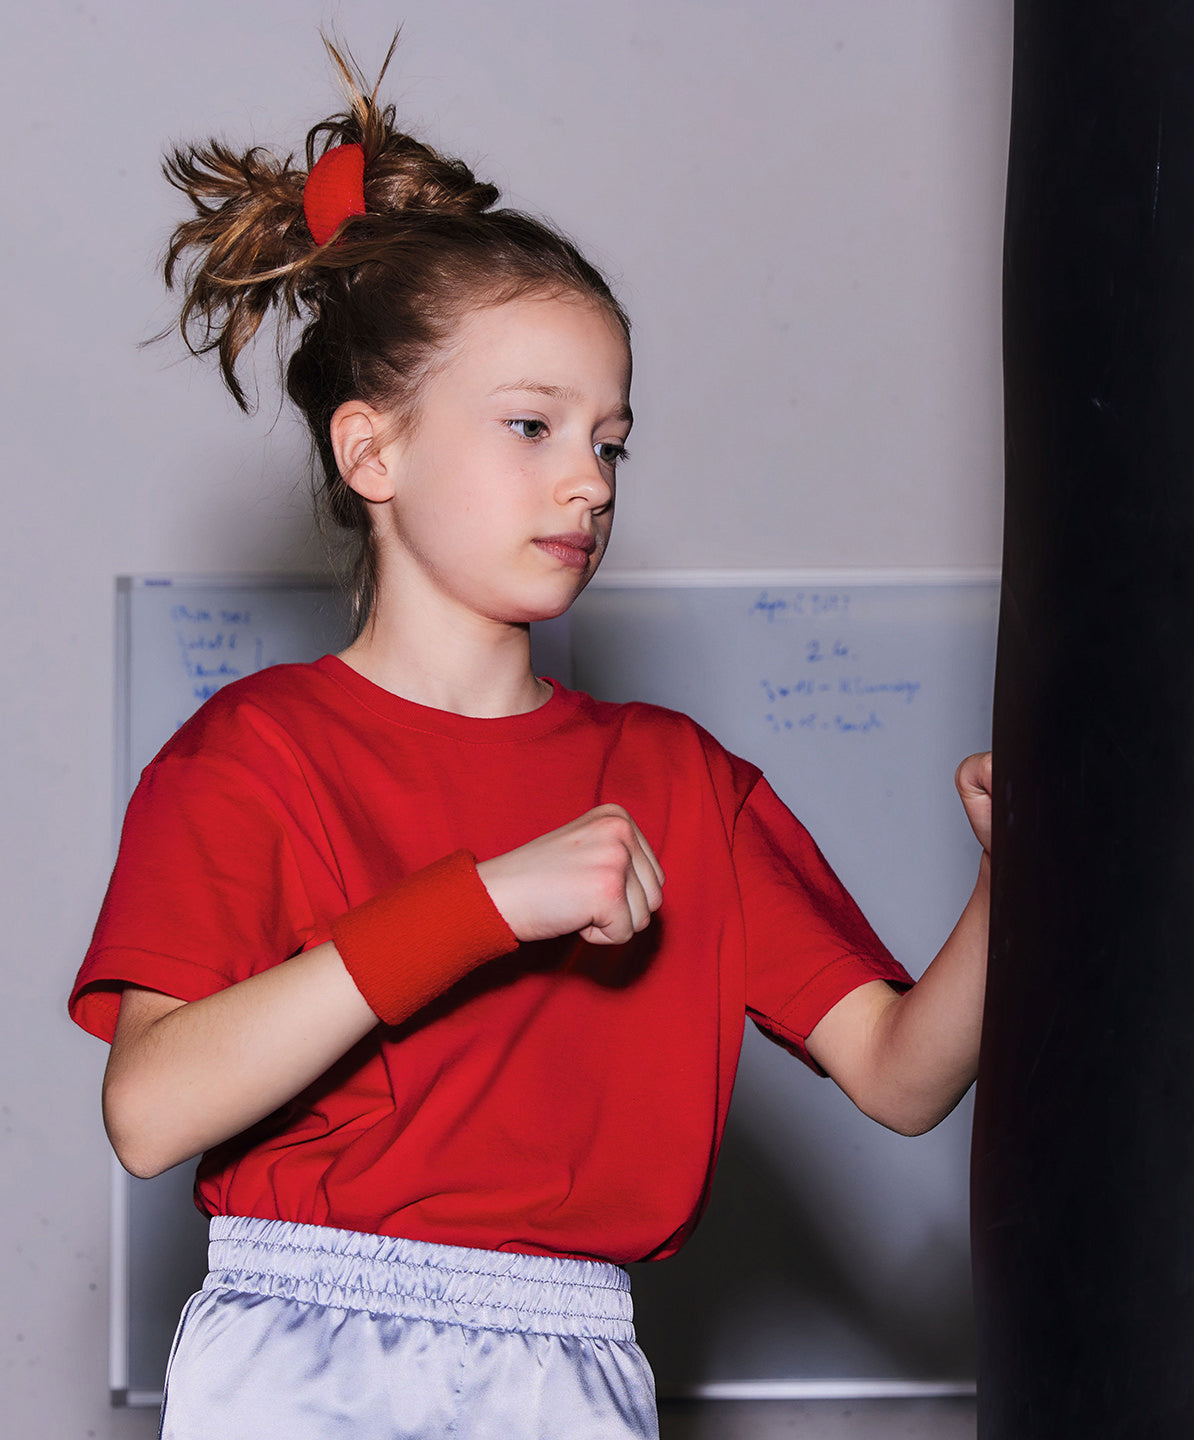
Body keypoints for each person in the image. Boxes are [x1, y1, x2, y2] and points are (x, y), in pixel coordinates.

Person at [69, 42, 993, 1440]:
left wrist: (1021, 879)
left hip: (575, 1362)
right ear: (371, 455)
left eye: (610, 441)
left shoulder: (680, 780)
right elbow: (147, 1110)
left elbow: (906, 1074)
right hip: (307, 1360)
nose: (587, 480)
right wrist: (484, 902)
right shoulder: (250, 755)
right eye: (531, 426)